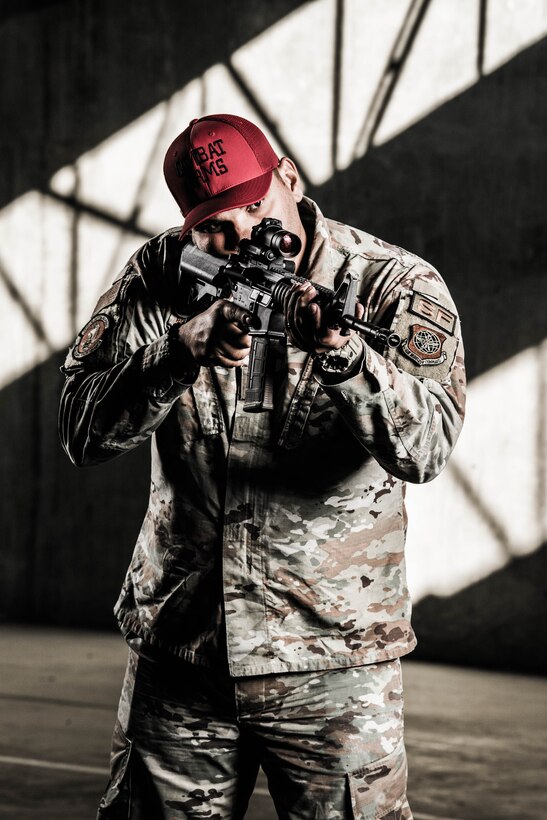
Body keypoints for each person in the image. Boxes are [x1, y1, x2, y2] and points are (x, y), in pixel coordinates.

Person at [59, 113, 465, 819]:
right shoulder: (161, 275)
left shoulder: (391, 284)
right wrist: (178, 349)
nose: (245, 235)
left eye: (256, 206)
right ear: (189, 228)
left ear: (288, 178)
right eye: (216, 224)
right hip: (183, 654)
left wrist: (343, 358)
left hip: (332, 665)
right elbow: (82, 430)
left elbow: (424, 448)